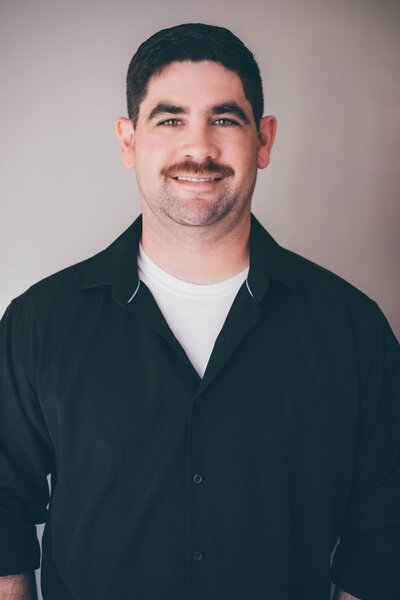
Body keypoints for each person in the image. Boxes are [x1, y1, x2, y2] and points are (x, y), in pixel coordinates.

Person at [0, 22, 399, 600]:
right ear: (129, 140)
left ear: (262, 140)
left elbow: (384, 531)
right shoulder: (39, 324)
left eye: (224, 119)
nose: (199, 148)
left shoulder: (352, 329)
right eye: (170, 119)